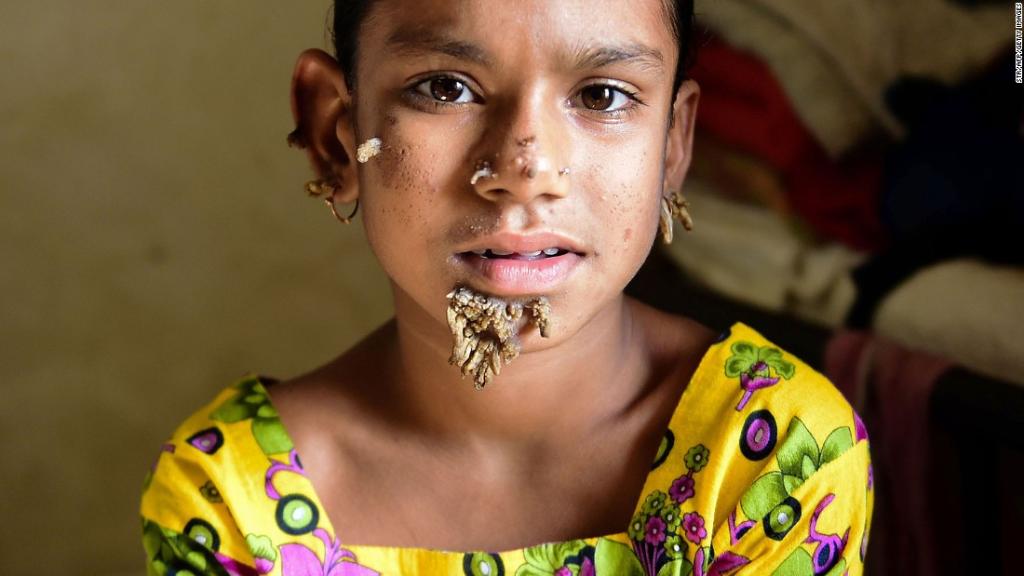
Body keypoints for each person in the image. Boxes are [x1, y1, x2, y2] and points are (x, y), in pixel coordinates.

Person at [140, 1, 873, 574]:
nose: (527, 166)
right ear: (337, 132)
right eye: (447, 87)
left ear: (673, 147)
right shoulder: (233, 497)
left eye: (604, 95)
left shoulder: (773, 452)